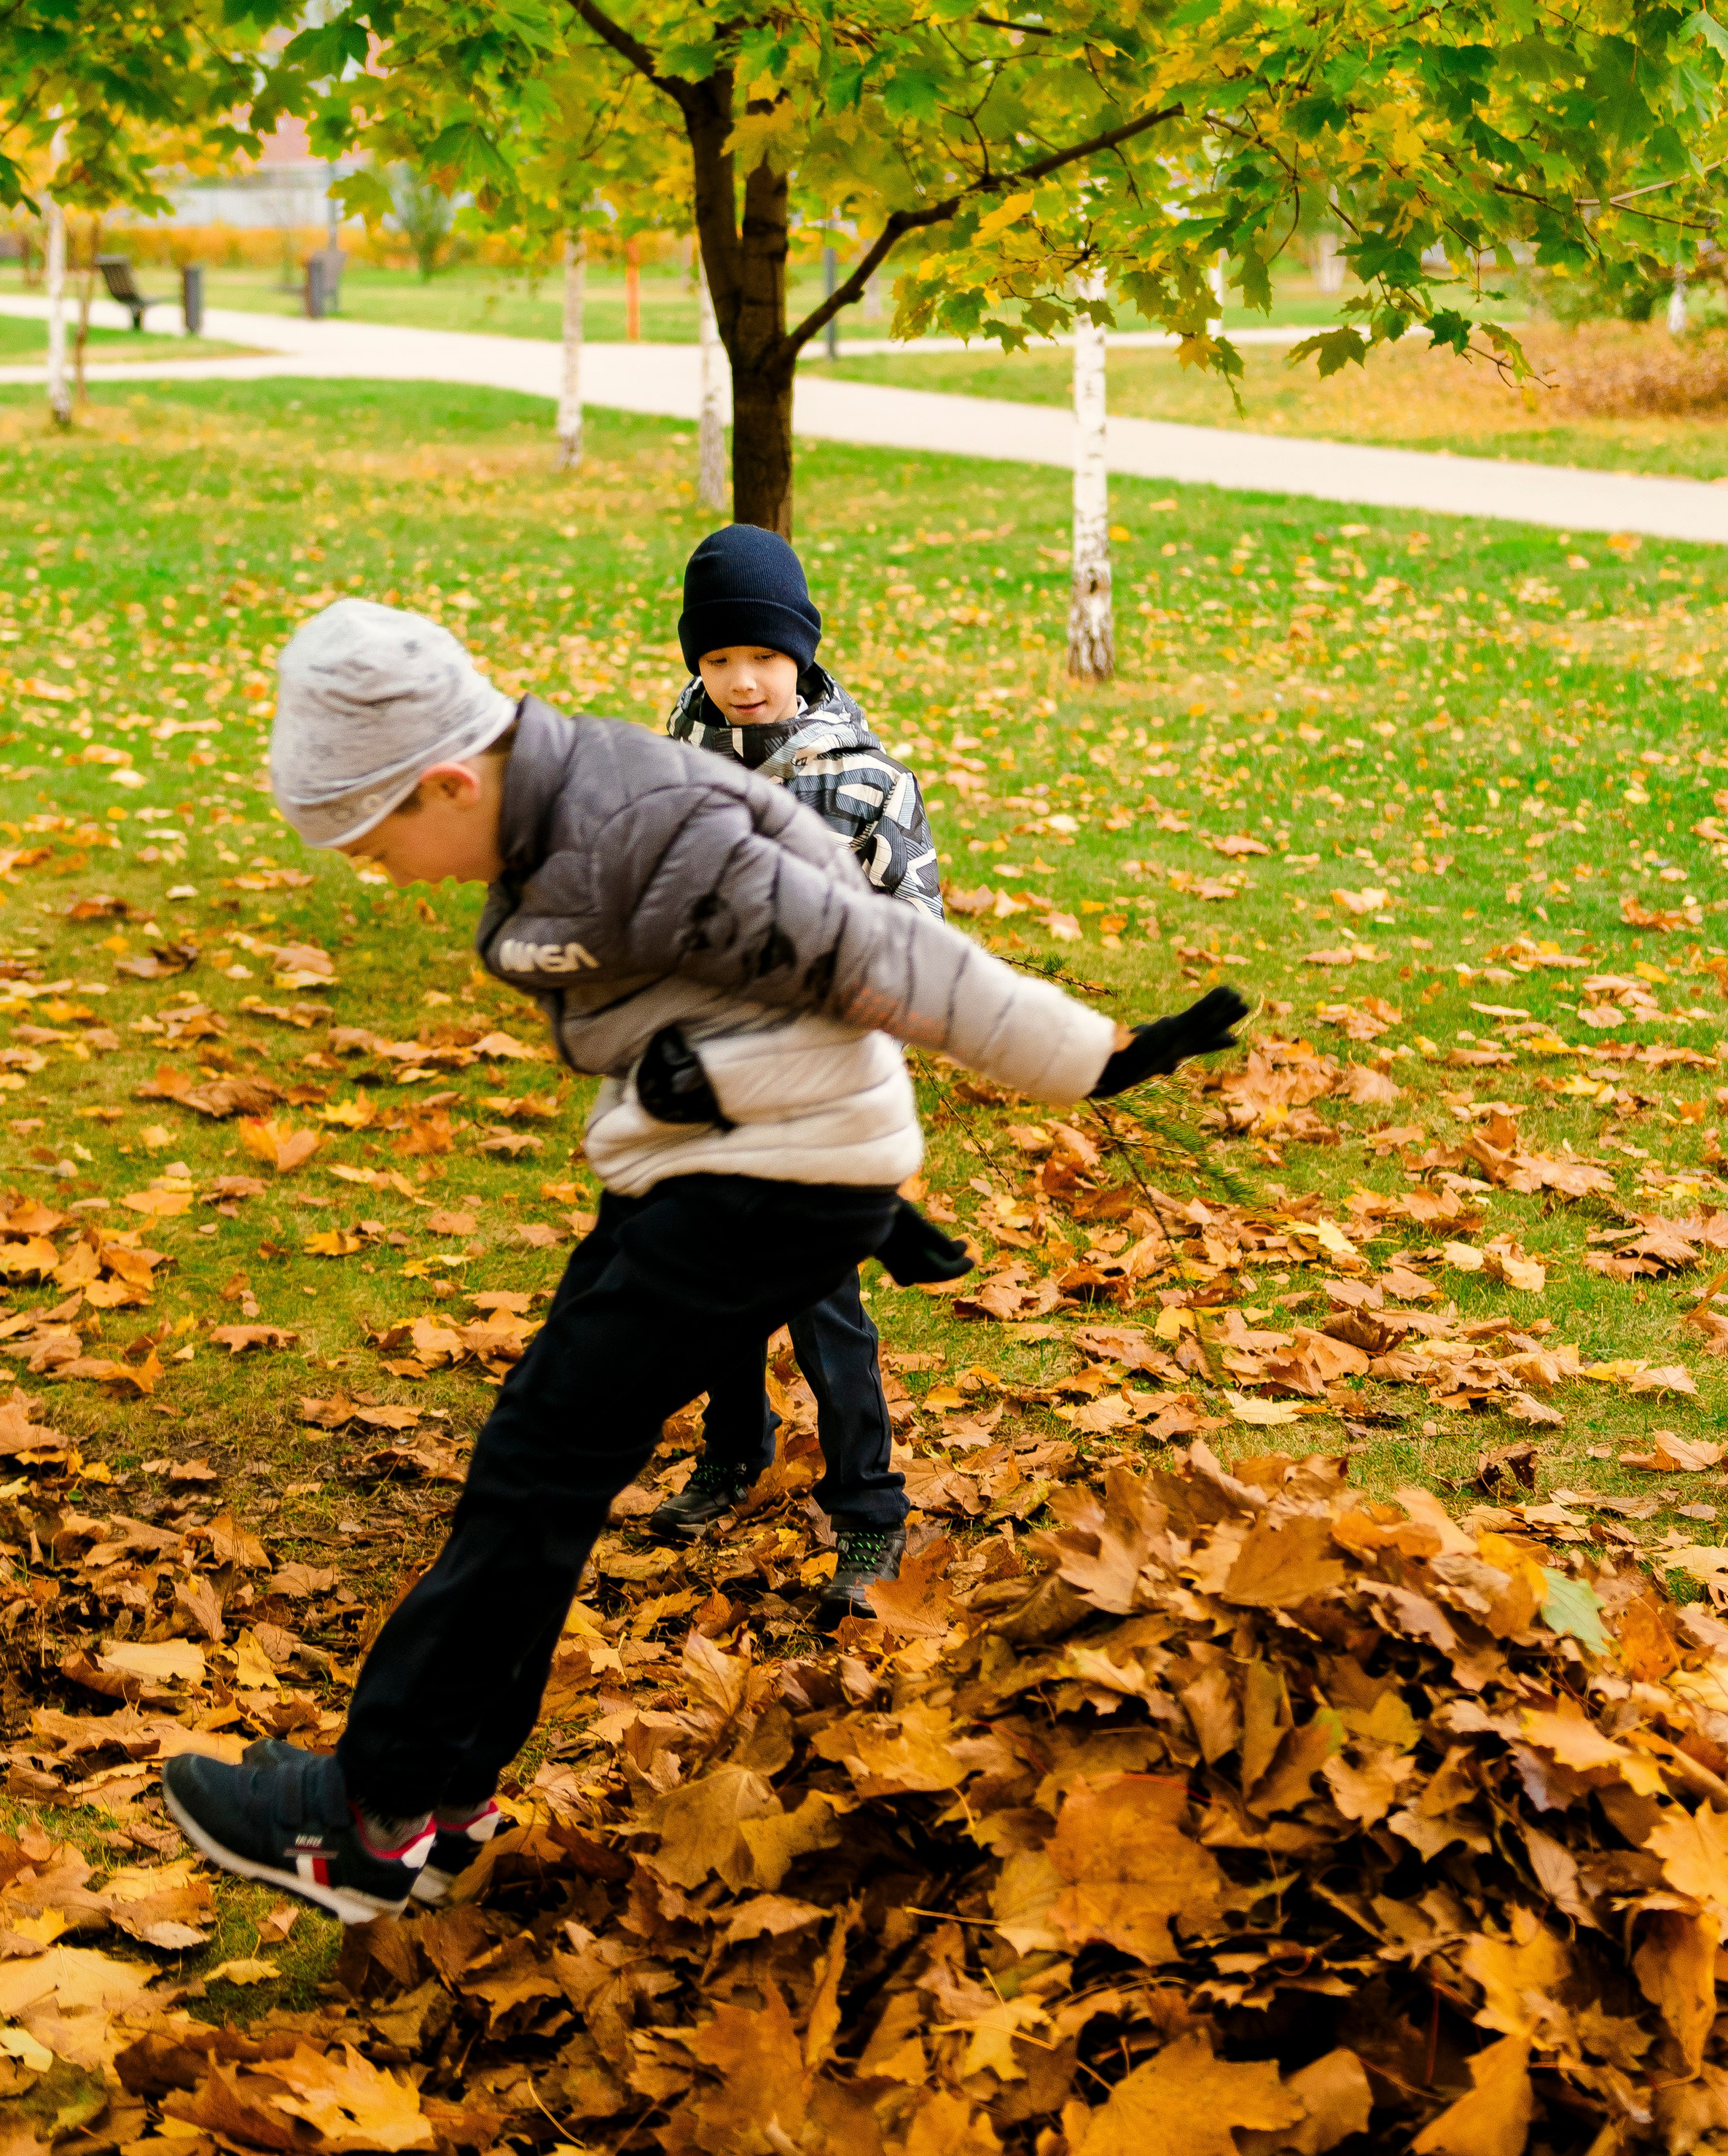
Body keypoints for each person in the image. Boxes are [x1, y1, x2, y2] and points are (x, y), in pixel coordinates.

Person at [160, 595, 1248, 1924]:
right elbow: (725, 1012)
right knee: (536, 1474)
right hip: (717, 1166)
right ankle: (435, 1807)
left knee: (534, 1475)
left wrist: (1090, 1057)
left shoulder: (643, 826)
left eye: (375, 843)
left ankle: (371, 1818)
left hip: (759, 1188)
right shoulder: (571, 814)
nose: (383, 874)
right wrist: (861, 1184)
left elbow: (879, 948)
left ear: (448, 781)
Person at [655, 523, 938, 1620]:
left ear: (802, 654)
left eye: (763, 657)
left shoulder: (866, 782)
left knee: (825, 1308)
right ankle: (735, 1451)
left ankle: (869, 1510)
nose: (742, 680)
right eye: (719, 658)